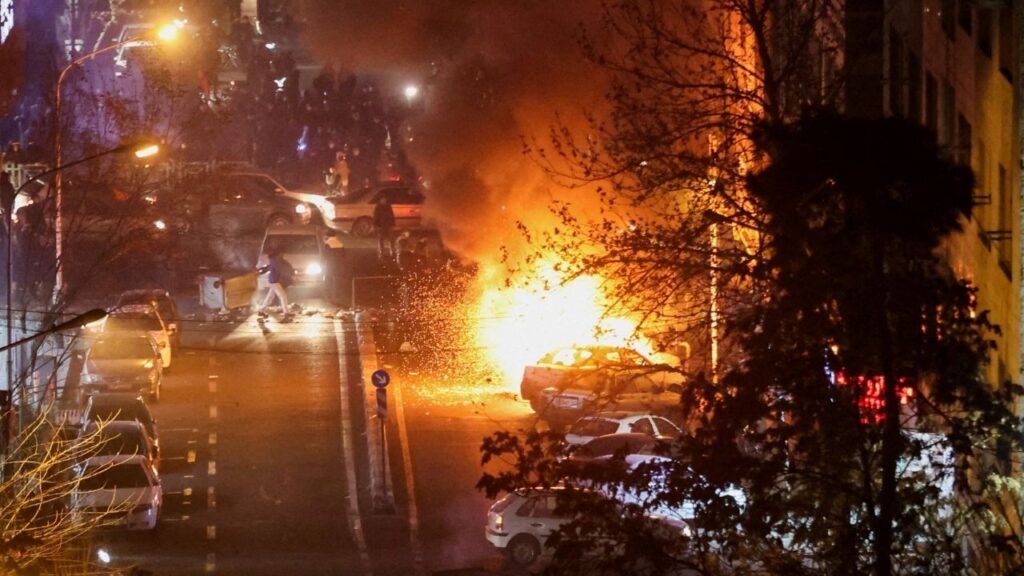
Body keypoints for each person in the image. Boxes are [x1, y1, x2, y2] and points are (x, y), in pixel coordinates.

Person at [256, 249, 295, 318]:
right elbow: (281, 270)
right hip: (274, 281)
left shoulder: (274, 261)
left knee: (270, 297)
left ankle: (261, 310)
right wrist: (290, 278)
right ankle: (286, 312)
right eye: (281, 254)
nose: (282, 255)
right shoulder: (276, 261)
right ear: (277, 255)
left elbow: (268, 268)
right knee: (283, 296)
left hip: (273, 281)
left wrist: (260, 271)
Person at [373, 195, 397, 263]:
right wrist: (376, 225)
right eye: (382, 199)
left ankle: (392, 251)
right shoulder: (378, 207)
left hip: (389, 225)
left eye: (385, 199)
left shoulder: (388, 206)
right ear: (380, 200)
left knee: (391, 239)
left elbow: (392, 215)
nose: (384, 200)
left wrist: (393, 224)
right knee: (381, 240)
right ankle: (381, 252)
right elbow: (375, 216)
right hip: (381, 226)